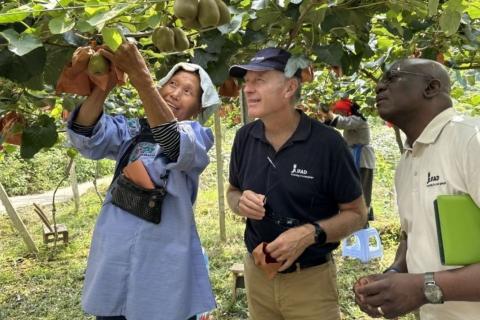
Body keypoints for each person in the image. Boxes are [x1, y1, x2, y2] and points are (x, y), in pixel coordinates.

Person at [66, 42, 220, 320]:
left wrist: (141, 78)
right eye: (173, 84)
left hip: (162, 260)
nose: (175, 93)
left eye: (188, 92)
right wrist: (104, 85)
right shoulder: (132, 130)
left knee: (161, 309)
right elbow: (85, 134)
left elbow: (174, 143)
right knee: (113, 310)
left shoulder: (198, 136)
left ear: (198, 108)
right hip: (114, 252)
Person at [226, 47, 368, 320]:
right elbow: (233, 192)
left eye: (260, 80)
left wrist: (309, 234)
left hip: (310, 282)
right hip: (258, 274)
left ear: (289, 87)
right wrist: (240, 203)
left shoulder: (328, 144)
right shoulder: (245, 137)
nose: (247, 89)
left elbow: (357, 214)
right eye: (247, 82)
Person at [354, 58, 480, 319]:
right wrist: (393, 276)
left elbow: (424, 286)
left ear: (431, 87)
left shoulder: (470, 141)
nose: (379, 86)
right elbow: (412, 236)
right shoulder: (409, 159)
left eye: (392, 78)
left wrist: (423, 287)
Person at [324, 98, 376, 221]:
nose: (339, 113)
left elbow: (342, 122)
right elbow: (333, 125)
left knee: (362, 187)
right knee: (352, 186)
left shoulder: (358, 120)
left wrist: (329, 114)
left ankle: (364, 215)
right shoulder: (351, 120)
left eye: (341, 111)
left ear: (347, 111)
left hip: (363, 159)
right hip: (353, 156)